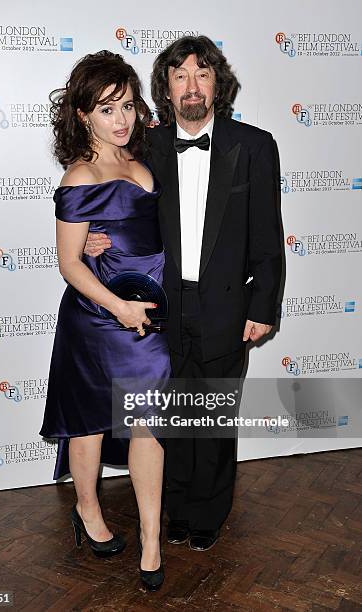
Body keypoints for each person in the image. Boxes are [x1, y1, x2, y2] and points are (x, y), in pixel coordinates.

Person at [85, 36, 282, 552]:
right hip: (159, 304)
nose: (192, 85)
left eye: (202, 73)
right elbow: (106, 193)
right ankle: (173, 508)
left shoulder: (254, 146)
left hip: (225, 305)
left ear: (218, 84)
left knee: (213, 416)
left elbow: (267, 234)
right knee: (167, 415)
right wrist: (88, 235)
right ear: (166, 90)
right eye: (180, 75)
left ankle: (208, 515)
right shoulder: (144, 147)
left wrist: (263, 305)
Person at [39, 50, 170, 591]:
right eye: (106, 108)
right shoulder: (79, 177)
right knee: (89, 423)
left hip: (151, 318)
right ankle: (88, 513)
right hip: (99, 316)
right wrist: (116, 305)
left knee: (151, 425)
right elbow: (69, 263)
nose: (121, 119)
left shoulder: (144, 160)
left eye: (128, 106)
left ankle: (151, 540)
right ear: (83, 115)